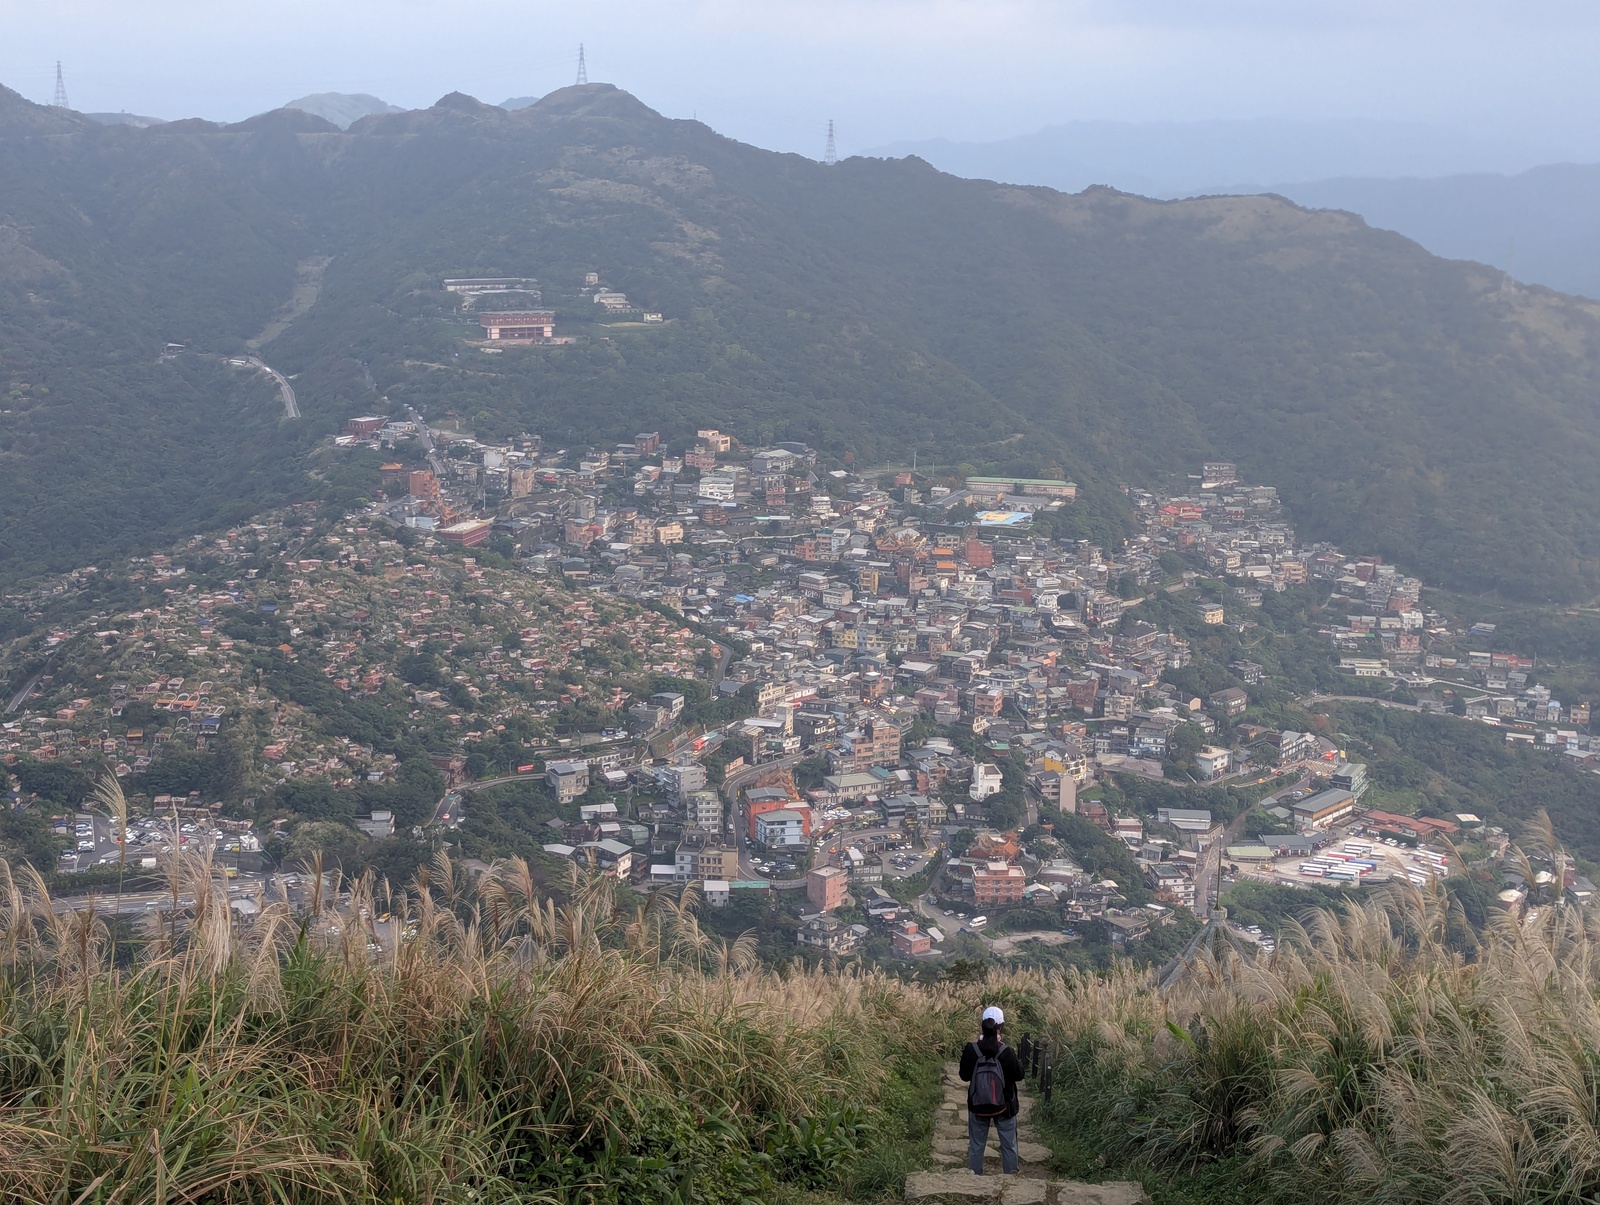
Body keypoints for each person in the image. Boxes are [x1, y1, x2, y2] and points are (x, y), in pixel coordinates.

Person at [958, 1004, 1024, 1175]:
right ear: (1001, 1026)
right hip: (1005, 1105)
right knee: (1008, 1144)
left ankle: (974, 1177)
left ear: (982, 1024)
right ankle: (1010, 1178)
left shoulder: (971, 1050)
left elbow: (964, 1076)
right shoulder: (1006, 1052)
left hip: (978, 1104)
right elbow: (1019, 1075)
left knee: (976, 1145)